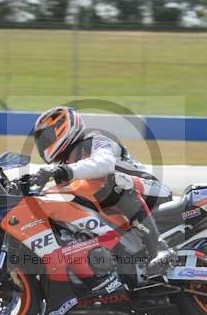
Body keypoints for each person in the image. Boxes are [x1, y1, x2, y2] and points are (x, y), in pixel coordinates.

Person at [31, 106, 177, 276]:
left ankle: (158, 248)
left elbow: (104, 163)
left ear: (63, 128)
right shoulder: (64, 167)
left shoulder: (96, 139)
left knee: (113, 180)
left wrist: (66, 171)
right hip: (118, 211)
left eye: (47, 137)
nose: (44, 143)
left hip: (150, 191)